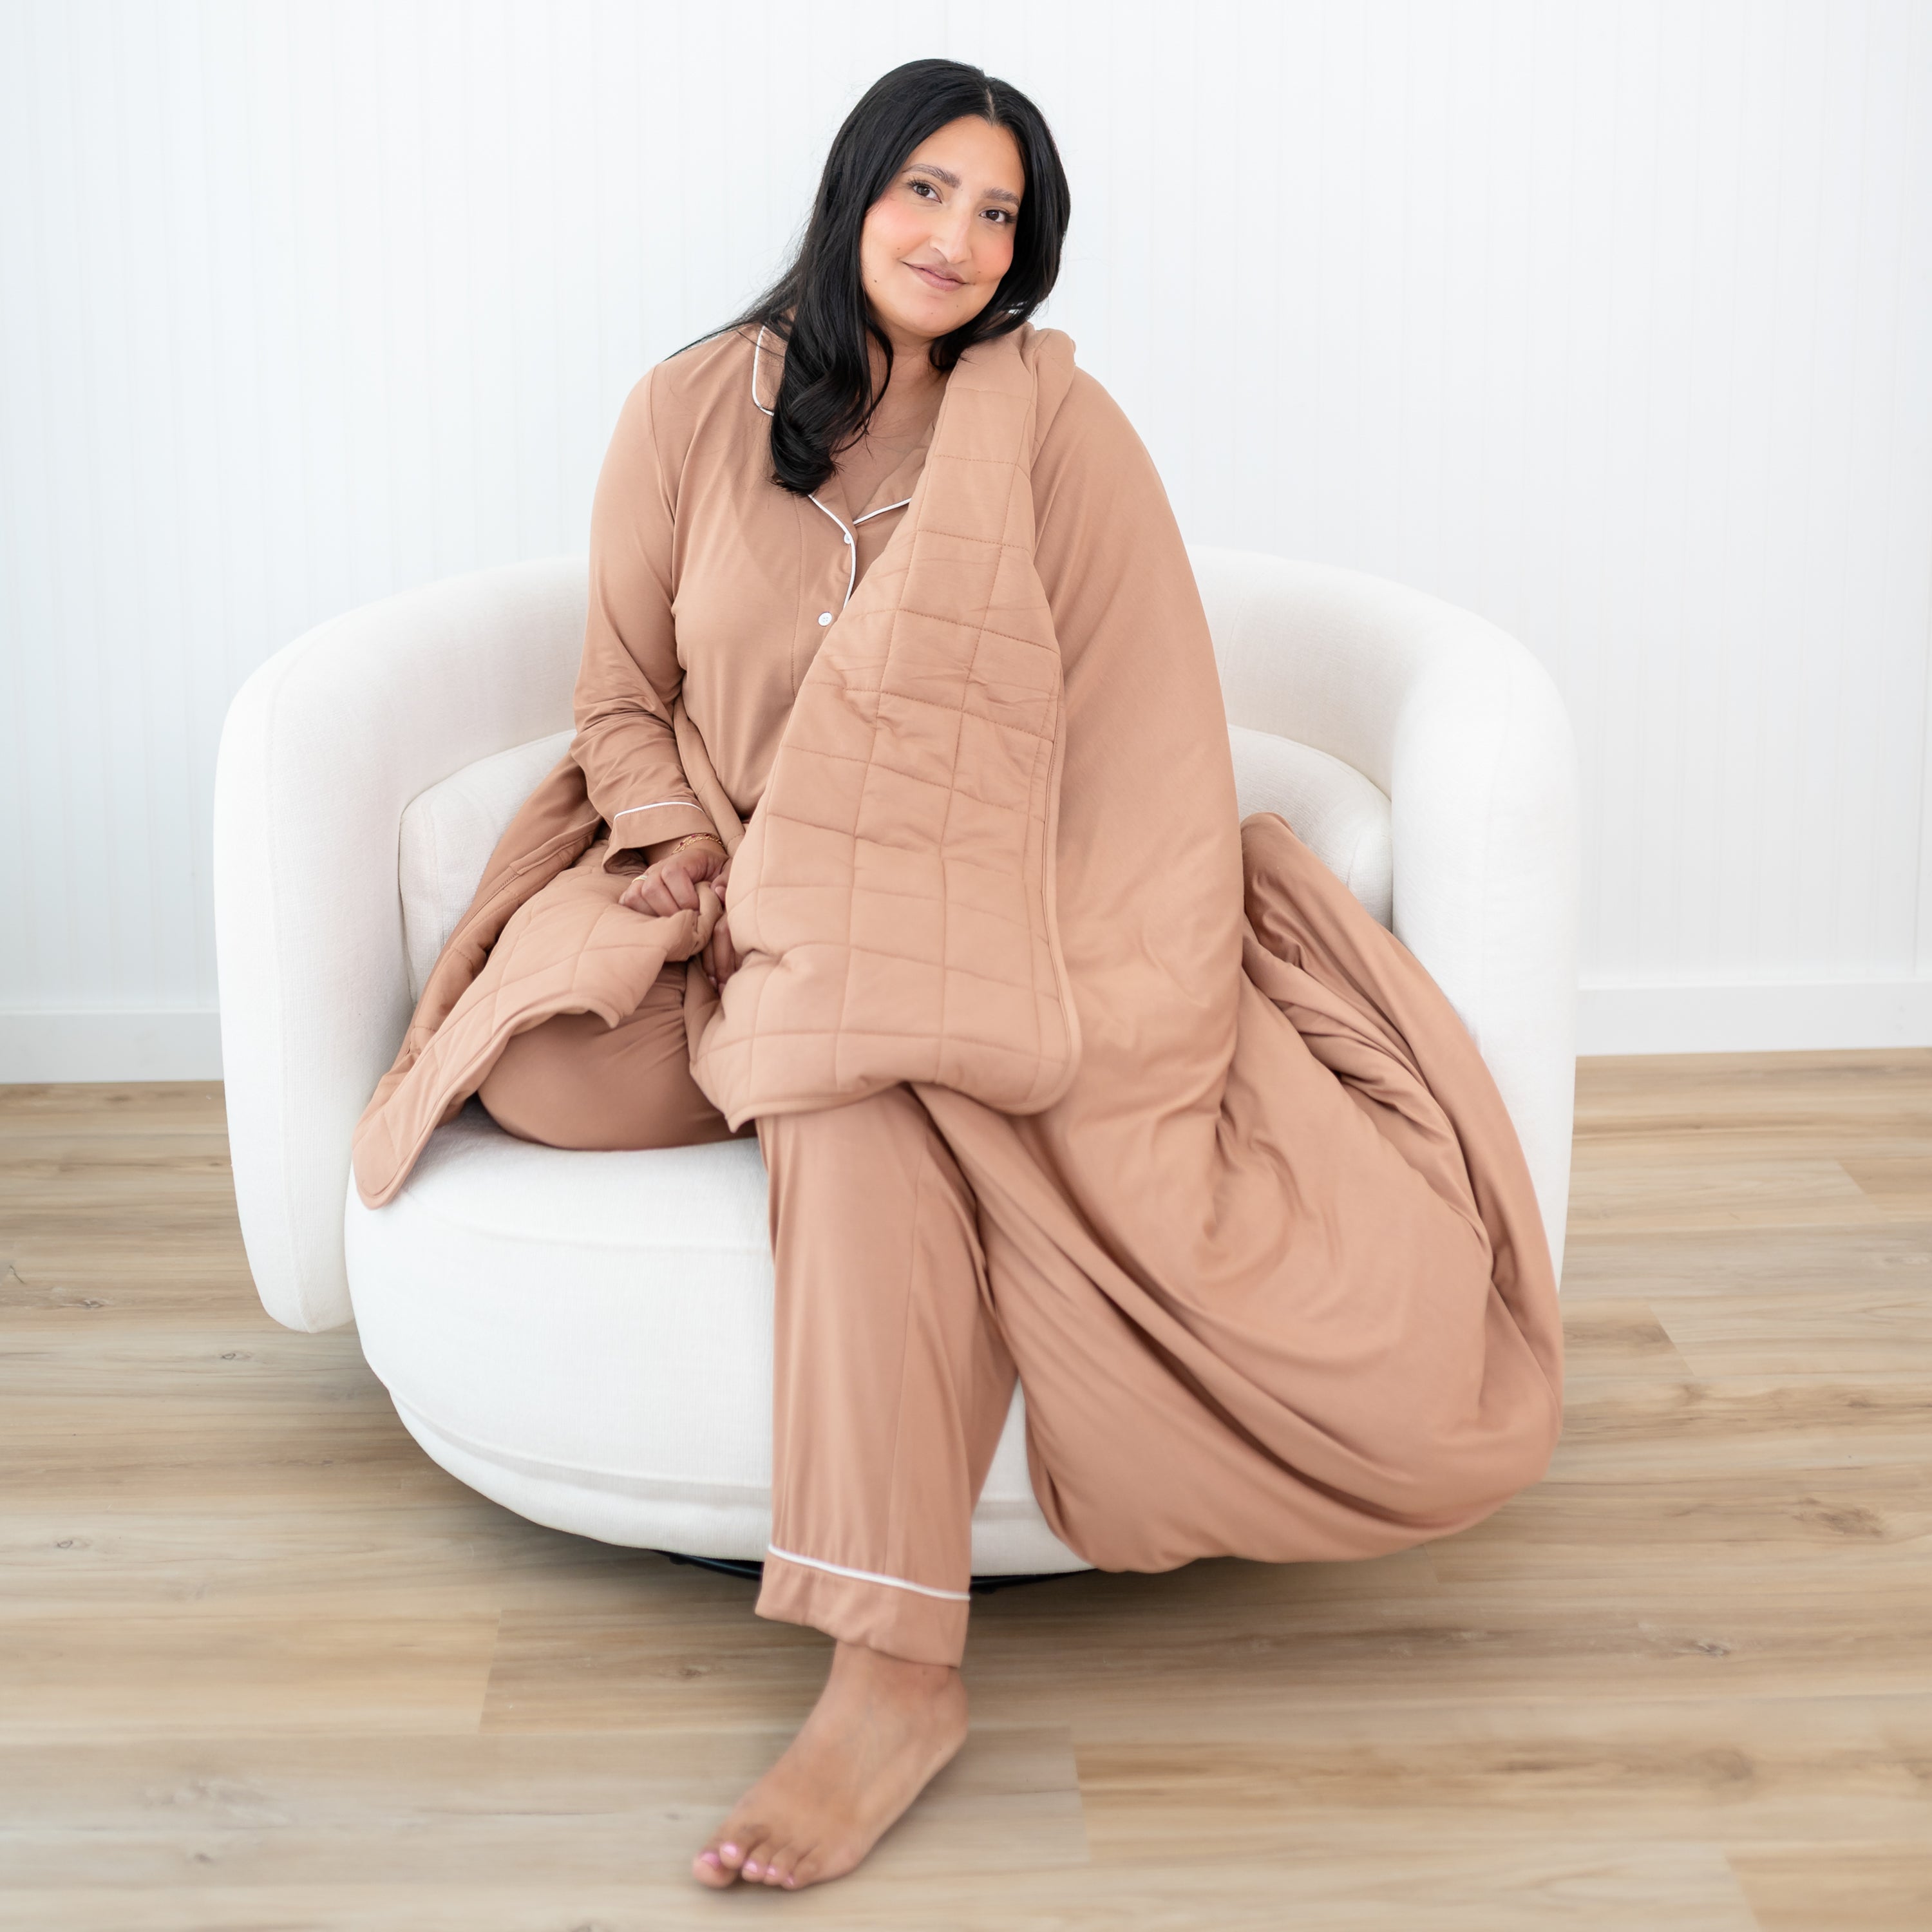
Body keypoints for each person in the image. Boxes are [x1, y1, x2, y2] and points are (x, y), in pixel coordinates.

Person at [358, 55, 1563, 1895]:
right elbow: (622, 691)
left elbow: (1146, 734)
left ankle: (893, 1670)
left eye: (999, 213)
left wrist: (935, 927)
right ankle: (879, 1049)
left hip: (977, 902)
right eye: (928, 190)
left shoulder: (1053, 433)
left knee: (848, 1091)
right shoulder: (693, 406)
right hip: (736, 894)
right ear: (856, 195)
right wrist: (679, 837)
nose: (957, 238)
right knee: (543, 1072)